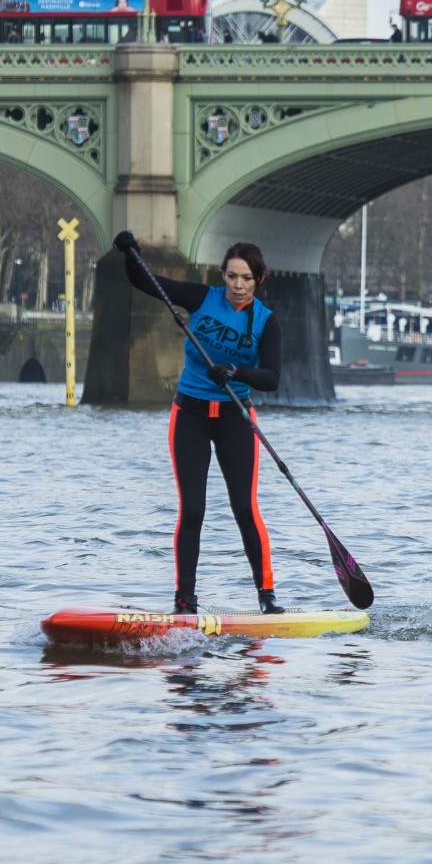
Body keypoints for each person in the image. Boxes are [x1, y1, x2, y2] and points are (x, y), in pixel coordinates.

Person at [112, 229, 288, 616]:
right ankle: (185, 602)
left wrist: (238, 371)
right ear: (222, 275)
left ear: (259, 280)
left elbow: (272, 378)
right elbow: (145, 281)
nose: (237, 285)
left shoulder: (265, 321)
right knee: (192, 510)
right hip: (189, 416)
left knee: (244, 507)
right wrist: (131, 252)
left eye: (246, 278)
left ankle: (267, 597)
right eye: (231, 276)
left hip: (235, 419)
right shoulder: (202, 298)